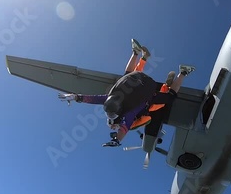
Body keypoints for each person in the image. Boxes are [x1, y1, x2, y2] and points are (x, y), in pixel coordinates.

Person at [58, 39, 195, 147]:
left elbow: (124, 127)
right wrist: (75, 96)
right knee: (125, 75)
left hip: (149, 88)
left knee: (169, 98)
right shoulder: (108, 98)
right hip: (135, 78)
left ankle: (183, 72)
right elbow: (92, 99)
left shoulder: (130, 112)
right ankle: (136, 53)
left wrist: (117, 140)